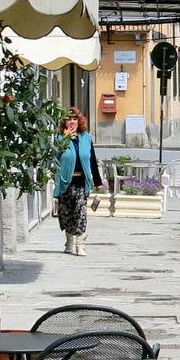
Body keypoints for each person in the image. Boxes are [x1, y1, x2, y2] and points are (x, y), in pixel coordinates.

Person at [53, 109, 98, 255]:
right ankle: (69, 242)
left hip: (81, 181)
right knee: (66, 214)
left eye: (74, 119)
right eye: (68, 119)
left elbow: (91, 160)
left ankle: (80, 244)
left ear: (79, 121)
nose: (72, 121)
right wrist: (65, 140)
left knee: (80, 212)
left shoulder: (86, 138)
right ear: (64, 123)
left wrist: (96, 182)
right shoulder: (59, 138)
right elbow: (54, 157)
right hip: (65, 181)